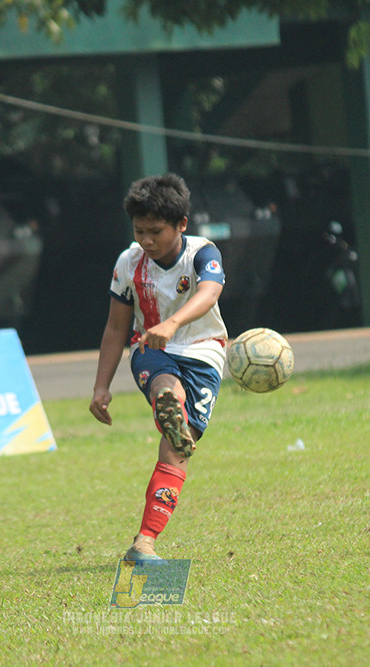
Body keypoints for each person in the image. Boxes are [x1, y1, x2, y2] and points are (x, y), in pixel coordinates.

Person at [89, 173, 227, 561]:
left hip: (203, 352)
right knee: (166, 384)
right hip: (150, 347)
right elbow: (117, 327)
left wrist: (173, 323)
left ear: (182, 224)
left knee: (175, 451)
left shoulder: (203, 253)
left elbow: (210, 291)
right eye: (139, 231)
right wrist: (101, 387)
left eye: (155, 231)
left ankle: (144, 541)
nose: (146, 241)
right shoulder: (129, 262)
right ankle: (169, 399)